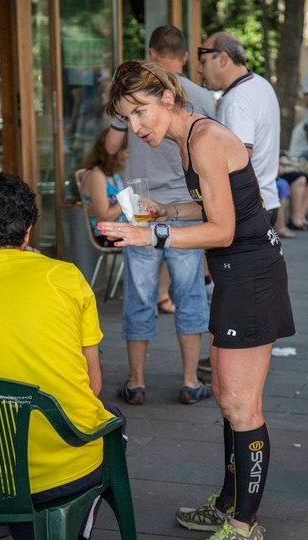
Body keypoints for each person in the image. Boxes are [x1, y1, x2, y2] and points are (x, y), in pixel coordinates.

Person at [99, 59, 295, 540]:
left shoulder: (205, 139)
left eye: (141, 112)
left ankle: (244, 529)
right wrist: (167, 212)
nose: (137, 127)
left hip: (250, 277)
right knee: (230, 402)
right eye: (128, 118)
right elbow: (211, 207)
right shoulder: (189, 139)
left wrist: (151, 233)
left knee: (240, 405)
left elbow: (224, 230)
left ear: (167, 97)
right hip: (237, 277)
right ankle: (230, 505)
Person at [0, 172, 121, 540]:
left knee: (2, 436)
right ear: (29, 230)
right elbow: (92, 384)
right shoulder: (66, 278)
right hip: (65, 465)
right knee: (113, 424)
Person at [105, 25, 215, 405]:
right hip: (188, 204)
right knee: (189, 294)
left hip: (141, 208)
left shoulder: (131, 98)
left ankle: (136, 382)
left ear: (152, 52)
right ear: (184, 56)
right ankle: (189, 381)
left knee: (139, 295)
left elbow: (111, 145)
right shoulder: (202, 97)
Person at [195, 32, 282, 374]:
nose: (201, 70)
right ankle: (236, 356)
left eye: (203, 61)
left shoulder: (237, 100)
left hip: (246, 208)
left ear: (222, 58)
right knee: (243, 292)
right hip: (263, 201)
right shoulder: (259, 85)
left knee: (235, 292)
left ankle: (234, 360)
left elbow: (238, 160)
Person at [78, 127, 128, 246]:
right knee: (152, 243)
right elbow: (104, 218)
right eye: (126, 152)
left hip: (120, 230)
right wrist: (127, 199)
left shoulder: (114, 175)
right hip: (106, 234)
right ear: (114, 153)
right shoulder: (97, 176)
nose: (128, 157)